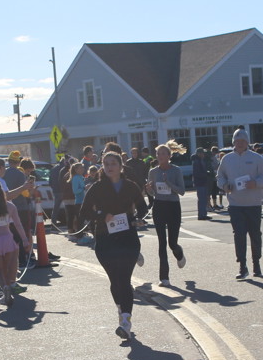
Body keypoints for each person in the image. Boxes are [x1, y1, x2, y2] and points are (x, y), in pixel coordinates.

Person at [78, 151, 147, 339]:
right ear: (102, 166)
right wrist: (101, 215)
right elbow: (84, 212)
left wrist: (139, 218)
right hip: (105, 239)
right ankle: (121, 309)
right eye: (106, 163)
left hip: (128, 239)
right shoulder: (97, 187)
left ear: (120, 166)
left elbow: (143, 207)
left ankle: (125, 322)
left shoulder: (130, 186)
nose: (109, 167)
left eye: (113, 163)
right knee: (115, 281)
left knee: (124, 280)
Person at [216, 128, 263, 278]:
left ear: (247, 142)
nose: (240, 143)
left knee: (255, 234)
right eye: (237, 141)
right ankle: (242, 266)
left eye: (242, 141)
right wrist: (224, 186)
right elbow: (220, 177)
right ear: (233, 142)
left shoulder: (256, 158)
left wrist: (256, 183)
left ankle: (256, 264)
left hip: (253, 204)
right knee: (239, 235)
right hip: (235, 205)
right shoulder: (227, 159)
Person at [145, 141, 187, 287]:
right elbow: (152, 193)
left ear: (169, 156)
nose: (161, 156)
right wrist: (149, 189)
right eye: (158, 154)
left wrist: (169, 183)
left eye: (163, 153)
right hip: (159, 206)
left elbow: (182, 191)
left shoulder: (176, 171)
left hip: (173, 206)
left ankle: (179, 254)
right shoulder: (153, 172)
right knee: (162, 242)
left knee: (172, 243)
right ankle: (164, 277)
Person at [192, 147, 213, 220]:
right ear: (199, 154)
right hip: (200, 182)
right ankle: (201, 215)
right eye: (202, 153)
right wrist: (206, 174)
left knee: (204, 199)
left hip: (203, 182)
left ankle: (203, 214)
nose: (203, 154)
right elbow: (197, 173)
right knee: (202, 199)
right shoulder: (197, 162)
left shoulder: (200, 161)